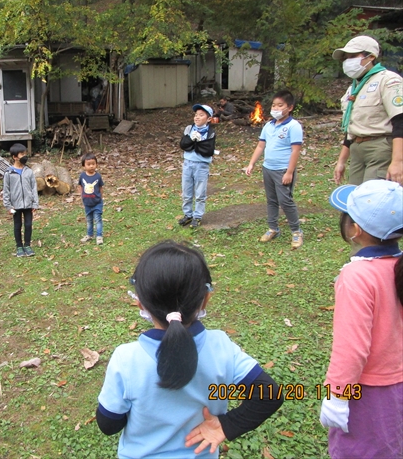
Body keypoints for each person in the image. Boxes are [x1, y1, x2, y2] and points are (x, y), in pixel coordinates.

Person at [96, 241, 283, 458]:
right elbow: (270, 394)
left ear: (140, 304)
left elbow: (108, 425)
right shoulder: (221, 347)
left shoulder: (126, 359)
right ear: (205, 300)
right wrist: (227, 425)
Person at [321, 180, 403, 458]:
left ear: (354, 230)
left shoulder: (357, 277)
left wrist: (336, 397)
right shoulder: (398, 266)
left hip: (368, 392)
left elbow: (351, 348)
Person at [332, 35, 403, 186]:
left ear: (370, 57)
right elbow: (351, 128)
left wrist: (397, 161)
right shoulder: (352, 89)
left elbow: (400, 122)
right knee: (353, 201)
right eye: (345, 58)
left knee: (372, 199)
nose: (347, 61)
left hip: (380, 147)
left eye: (352, 56)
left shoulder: (388, 80)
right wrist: (341, 161)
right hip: (357, 149)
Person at [245, 90, 304, 249]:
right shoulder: (268, 125)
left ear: (289, 107)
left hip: (283, 170)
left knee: (285, 201)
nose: (276, 108)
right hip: (268, 168)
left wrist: (289, 172)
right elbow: (260, 146)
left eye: (280, 105)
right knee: (271, 200)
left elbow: (295, 150)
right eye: (274, 105)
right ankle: (273, 228)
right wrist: (251, 163)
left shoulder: (293, 126)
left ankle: (296, 231)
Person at [178, 104, 217, 228]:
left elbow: (208, 150)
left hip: (201, 165)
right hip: (188, 164)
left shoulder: (210, 132)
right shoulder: (189, 129)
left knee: (200, 193)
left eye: (201, 115)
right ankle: (187, 214)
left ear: (209, 118)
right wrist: (192, 140)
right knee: (186, 191)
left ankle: (197, 216)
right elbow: (184, 145)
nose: (197, 117)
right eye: (196, 115)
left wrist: (197, 143)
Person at [3, 143, 39, 257]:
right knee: (17, 225)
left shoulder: (28, 171)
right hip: (15, 205)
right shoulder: (9, 173)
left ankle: (27, 245)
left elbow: (34, 187)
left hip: (28, 204)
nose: (24, 156)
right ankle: (19, 246)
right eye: (22, 154)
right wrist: (8, 205)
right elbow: (6, 189)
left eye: (25, 154)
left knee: (28, 225)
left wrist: (35, 203)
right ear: (15, 157)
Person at [78, 152, 104, 245]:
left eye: (93, 164)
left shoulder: (98, 176)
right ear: (84, 165)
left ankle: (99, 236)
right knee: (89, 220)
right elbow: (80, 186)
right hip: (87, 203)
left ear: (96, 164)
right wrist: (82, 197)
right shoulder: (82, 176)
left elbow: (100, 187)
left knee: (98, 219)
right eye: (89, 164)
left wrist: (101, 198)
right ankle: (89, 235)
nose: (91, 166)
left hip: (97, 203)